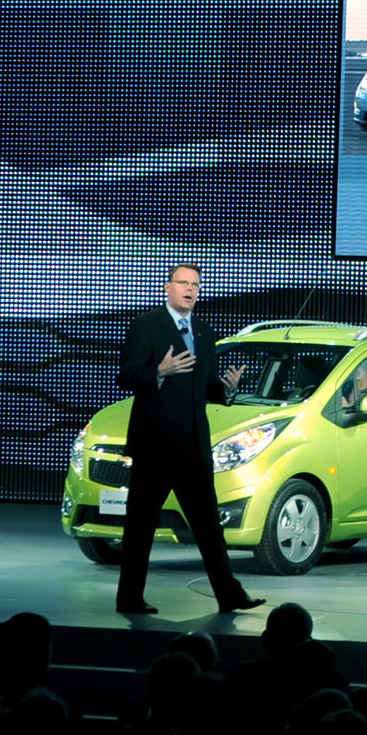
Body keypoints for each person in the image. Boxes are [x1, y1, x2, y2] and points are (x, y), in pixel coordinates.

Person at [113, 263, 262, 615]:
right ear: (167, 287)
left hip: (193, 447)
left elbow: (204, 387)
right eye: (183, 283)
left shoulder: (205, 333)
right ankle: (129, 599)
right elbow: (127, 376)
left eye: (195, 284)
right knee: (140, 528)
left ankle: (230, 595)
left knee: (210, 528)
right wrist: (159, 372)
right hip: (155, 446)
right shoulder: (146, 325)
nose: (190, 289)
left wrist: (224, 390)